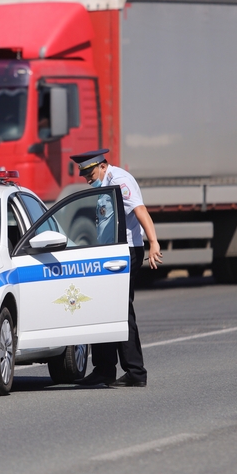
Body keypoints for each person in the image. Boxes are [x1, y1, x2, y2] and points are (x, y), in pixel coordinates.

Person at [69, 149, 162, 387]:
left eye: (89, 172)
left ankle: (135, 372)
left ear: (102, 165)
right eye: (84, 174)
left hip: (127, 251)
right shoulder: (105, 184)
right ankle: (104, 370)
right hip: (110, 252)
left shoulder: (119, 180)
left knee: (120, 312)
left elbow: (140, 210)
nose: (87, 178)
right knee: (103, 309)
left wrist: (154, 243)